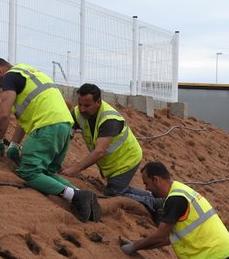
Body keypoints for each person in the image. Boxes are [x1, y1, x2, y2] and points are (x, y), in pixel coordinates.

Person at [0, 58, 100, 222]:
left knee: (30, 172)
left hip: (47, 127)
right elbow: (25, 119)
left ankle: (75, 196)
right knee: (47, 173)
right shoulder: (29, 72)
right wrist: (14, 145)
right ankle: (83, 196)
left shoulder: (9, 77)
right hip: (64, 127)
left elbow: (3, 115)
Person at [61, 83, 162, 220]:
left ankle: (154, 203)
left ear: (98, 102)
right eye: (80, 104)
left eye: (87, 105)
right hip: (111, 162)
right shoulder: (78, 112)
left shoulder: (109, 119)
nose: (82, 109)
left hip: (126, 160)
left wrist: (74, 170)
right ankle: (151, 196)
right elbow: (67, 134)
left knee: (114, 194)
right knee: (119, 189)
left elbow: (99, 151)